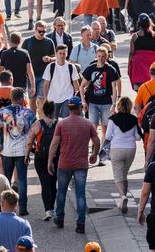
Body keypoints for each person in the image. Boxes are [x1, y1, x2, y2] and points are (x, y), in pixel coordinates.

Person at [48, 96, 100, 233]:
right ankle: (81, 223)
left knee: (61, 191)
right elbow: (97, 140)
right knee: (80, 194)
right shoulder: (88, 124)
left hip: (64, 163)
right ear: (80, 108)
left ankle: (59, 218)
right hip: (81, 164)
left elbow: (54, 144)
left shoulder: (61, 124)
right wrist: (95, 154)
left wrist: (50, 161)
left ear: (69, 108)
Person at [0, 87, 35, 215]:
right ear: (22, 98)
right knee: (22, 179)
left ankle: (5, 207)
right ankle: (23, 208)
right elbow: (34, 130)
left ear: (11, 98)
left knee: (6, 179)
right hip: (23, 150)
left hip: (7, 150)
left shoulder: (3, 111)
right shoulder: (28, 112)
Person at [104, 96, 140, 214]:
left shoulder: (113, 119)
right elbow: (138, 137)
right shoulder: (134, 119)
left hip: (117, 148)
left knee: (118, 176)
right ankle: (123, 198)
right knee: (124, 174)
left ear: (118, 106)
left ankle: (123, 197)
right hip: (130, 148)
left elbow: (108, 136)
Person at [80, 47, 121, 145]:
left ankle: (102, 148)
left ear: (107, 57)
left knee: (105, 128)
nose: (101, 58)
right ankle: (95, 146)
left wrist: (114, 104)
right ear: (96, 56)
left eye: (103, 56)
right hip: (93, 102)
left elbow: (114, 88)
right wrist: (83, 101)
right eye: (99, 56)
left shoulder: (110, 69)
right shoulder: (91, 68)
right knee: (93, 127)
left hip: (106, 102)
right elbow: (82, 86)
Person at [21, 22, 55, 114]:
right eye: (40, 31)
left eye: (44, 31)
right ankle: (33, 119)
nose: (41, 33)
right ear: (35, 30)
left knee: (41, 99)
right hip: (30, 76)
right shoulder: (27, 42)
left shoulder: (49, 42)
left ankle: (41, 121)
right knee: (32, 100)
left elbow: (55, 57)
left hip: (44, 76)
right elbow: (22, 57)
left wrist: (50, 59)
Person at [43, 45, 80, 119]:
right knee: (53, 120)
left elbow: (75, 82)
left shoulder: (71, 67)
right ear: (56, 54)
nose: (62, 55)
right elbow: (46, 84)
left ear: (67, 54)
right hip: (53, 98)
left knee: (66, 119)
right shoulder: (50, 67)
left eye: (64, 53)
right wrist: (45, 98)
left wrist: (77, 97)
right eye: (60, 53)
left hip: (67, 97)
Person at [128, 14, 155, 90]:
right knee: (153, 87)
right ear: (149, 23)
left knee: (139, 87)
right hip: (152, 61)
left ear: (138, 24)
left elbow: (131, 53)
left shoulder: (135, 36)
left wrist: (129, 66)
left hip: (138, 63)